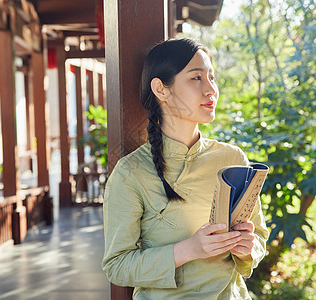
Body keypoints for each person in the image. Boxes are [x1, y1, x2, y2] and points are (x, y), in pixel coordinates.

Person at [102, 38, 269, 299]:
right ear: (161, 89)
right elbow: (117, 266)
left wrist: (247, 247)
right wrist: (189, 249)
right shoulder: (131, 173)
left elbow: (258, 237)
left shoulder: (232, 157)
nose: (211, 89)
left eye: (212, 78)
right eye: (196, 78)